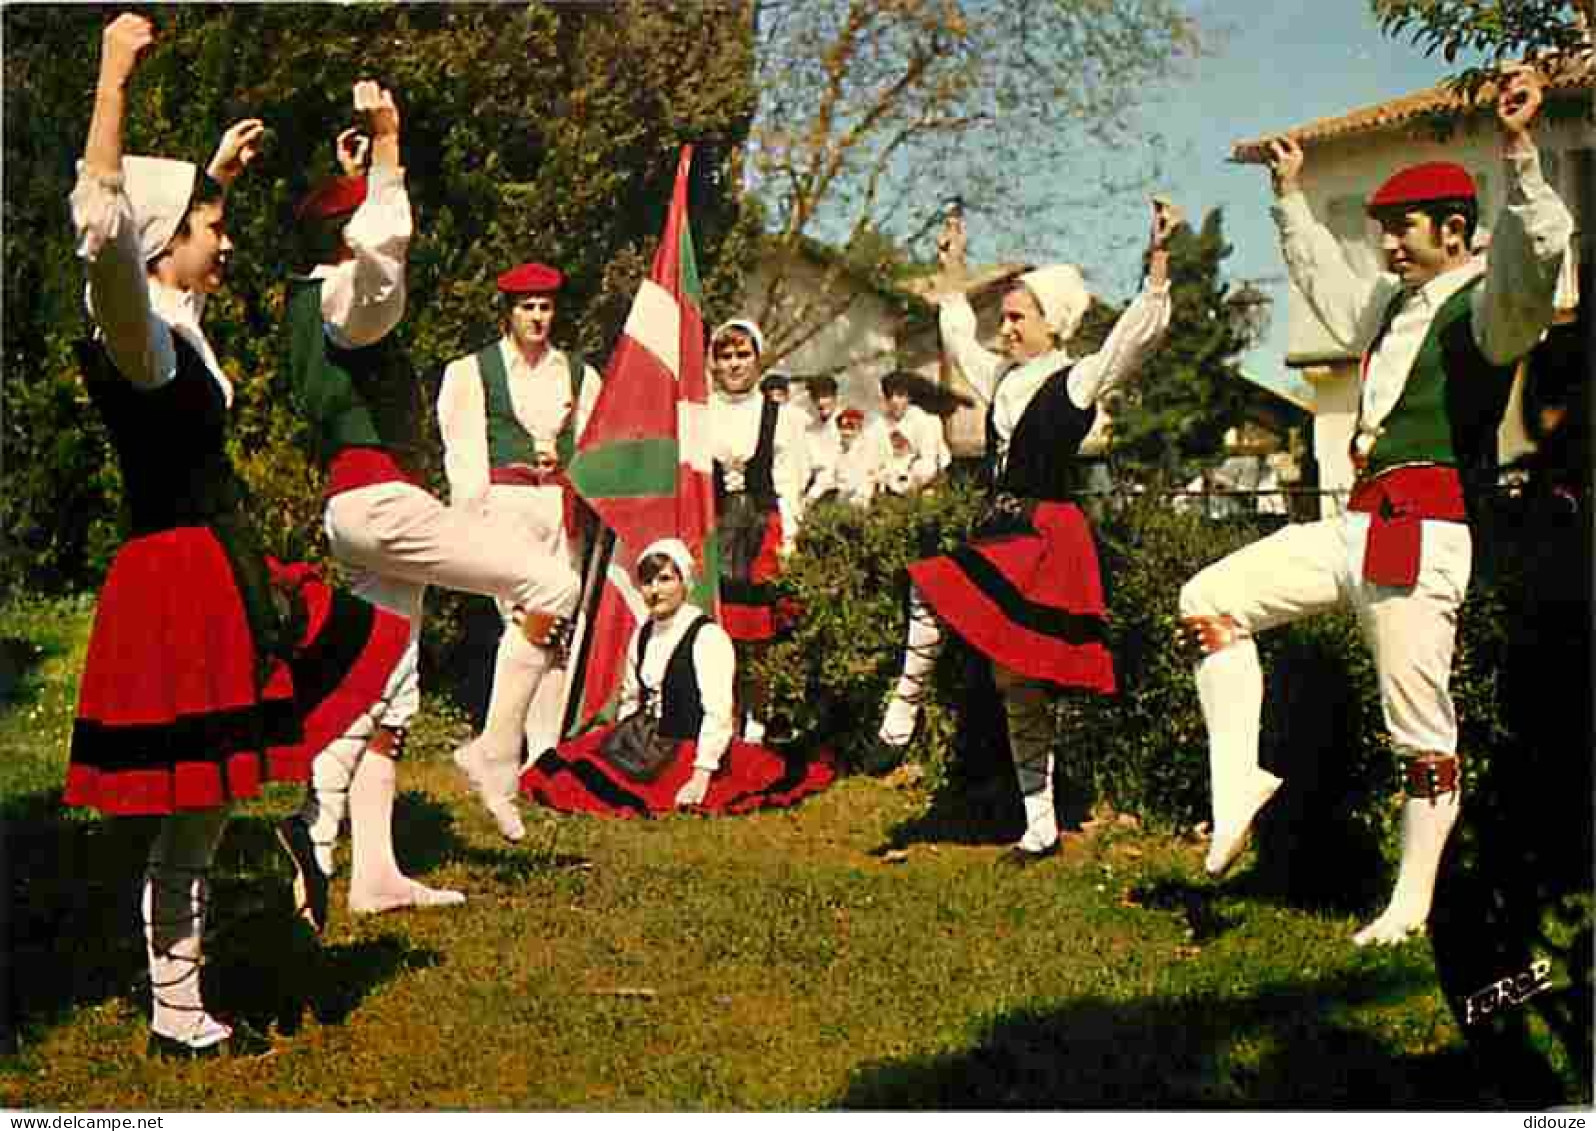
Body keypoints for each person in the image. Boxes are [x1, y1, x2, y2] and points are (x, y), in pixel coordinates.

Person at [64, 13, 412, 1057]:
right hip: (173, 579)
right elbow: (106, 224)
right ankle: (178, 1005)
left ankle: (208, 960)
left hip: (213, 569)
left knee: (214, 796)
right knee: (194, 799)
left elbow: (169, 249)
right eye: (212, 230)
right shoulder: (132, 328)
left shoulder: (175, 321)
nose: (228, 242)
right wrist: (113, 76)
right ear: (166, 246)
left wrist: (214, 172)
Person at [1178, 65, 1572, 946]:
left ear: (1455, 229)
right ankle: (1238, 782)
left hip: (1425, 535)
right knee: (1207, 601)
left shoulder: (1487, 310)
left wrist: (1518, 150)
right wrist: (1290, 198)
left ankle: (1412, 904)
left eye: (1403, 228)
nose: (1389, 242)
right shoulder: (1392, 307)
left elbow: (1536, 257)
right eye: (1385, 227)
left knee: (1418, 730)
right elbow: (1325, 281)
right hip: (1357, 522)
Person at [279, 79, 580, 923]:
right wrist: (387, 150)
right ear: (342, 235)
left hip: (357, 508)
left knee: (387, 686)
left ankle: (357, 859)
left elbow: (358, 240)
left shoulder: (305, 297)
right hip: (383, 503)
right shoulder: (347, 299)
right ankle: (493, 750)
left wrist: (356, 176)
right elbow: (384, 252)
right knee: (550, 584)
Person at [877, 201, 1177, 864]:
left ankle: (906, 715)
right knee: (1009, 678)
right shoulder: (1003, 376)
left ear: (1054, 323)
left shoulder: (1077, 379)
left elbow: (1135, 338)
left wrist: (1156, 262)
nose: (1005, 327)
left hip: (1046, 536)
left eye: (1018, 316)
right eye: (1006, 316)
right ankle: (1030, 820)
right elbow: (959, 339)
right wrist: (952, 267)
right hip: (1003, 529)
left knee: (971, 628)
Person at [520, 541, 834, 815]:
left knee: (610, 795)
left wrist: (702, 773)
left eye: (665, 579)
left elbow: (718, 711)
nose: (655, 591)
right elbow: (632, 696)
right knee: (562, 769)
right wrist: (618, 738)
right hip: (644, 738)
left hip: (686, 744)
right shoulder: (644, 633)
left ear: (685, 583)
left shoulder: (707, 636)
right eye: (647, 582)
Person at [436, 261, 601, 770]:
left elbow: (598, 447)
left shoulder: (578, 374)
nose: (537, 317)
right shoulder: (471, 372)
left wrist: (571, 466)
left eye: (545, 307)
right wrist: (471, 521)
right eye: (527, 307)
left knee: (556, 624)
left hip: (559, 505)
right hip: (505, 505)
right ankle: (502, 744)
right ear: (508, 312)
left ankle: (545, 751)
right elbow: (462, 451)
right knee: (520, 621)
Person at [706, 319, 808, 741]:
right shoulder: (699, 415)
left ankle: (758, 717)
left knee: (759, 629)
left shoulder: (783, 418)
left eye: (742, 355)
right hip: (714, 529)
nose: (734, 364)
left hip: (763, 528)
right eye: (725, 356)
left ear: (758, 359)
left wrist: (790, 541)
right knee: (719, 629)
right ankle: (719, 717)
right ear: (713, 363)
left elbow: (790, 484)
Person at [863, 370, 951, 496]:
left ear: (909, 397)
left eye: (900, 395)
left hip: (918, 474)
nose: (894, 401)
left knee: (924, 469)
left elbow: (928, 458)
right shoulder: (877, 423)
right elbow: (872, 457)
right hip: (890, 475)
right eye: (889, 396)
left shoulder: (923, 419)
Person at [800, 373, 843, 508]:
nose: (820, 402)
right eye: (816, 397)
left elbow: (832, 466)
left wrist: (813, 494)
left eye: (825, 396)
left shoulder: (845, 424)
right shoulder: (811, 428)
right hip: (816, 491)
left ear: (835, 397)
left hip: (838, 491)